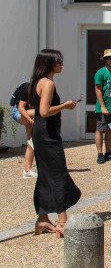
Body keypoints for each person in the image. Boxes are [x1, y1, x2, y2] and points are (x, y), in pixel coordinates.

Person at [28, 49, 80, 236]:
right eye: (59, 61)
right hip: (47, 135)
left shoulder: (37, 82)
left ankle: (42, 220)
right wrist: (65, 106)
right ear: (50, 63)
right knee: (58, 174)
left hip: (41, 133)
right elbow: (44, 111)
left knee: (45, 175)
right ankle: (62, 222)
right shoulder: (48, 83)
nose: (62, 64)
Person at [94, 48, 111, 164]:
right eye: (109, 58)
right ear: (105, 60)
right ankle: (100, 153)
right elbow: (98, 90)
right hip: (102, 107)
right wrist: (102, 106)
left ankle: (108, 152)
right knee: (100, 130)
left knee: (110, 130)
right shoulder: (100, 73)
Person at [11, 81, 37, 178]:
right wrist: (30, 121)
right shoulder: (27, 87)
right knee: (39, 112)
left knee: (31, 141)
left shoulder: (43, 90)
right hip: (18, 113)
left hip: (29, 113)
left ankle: (28, 170)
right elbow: (21, 108)